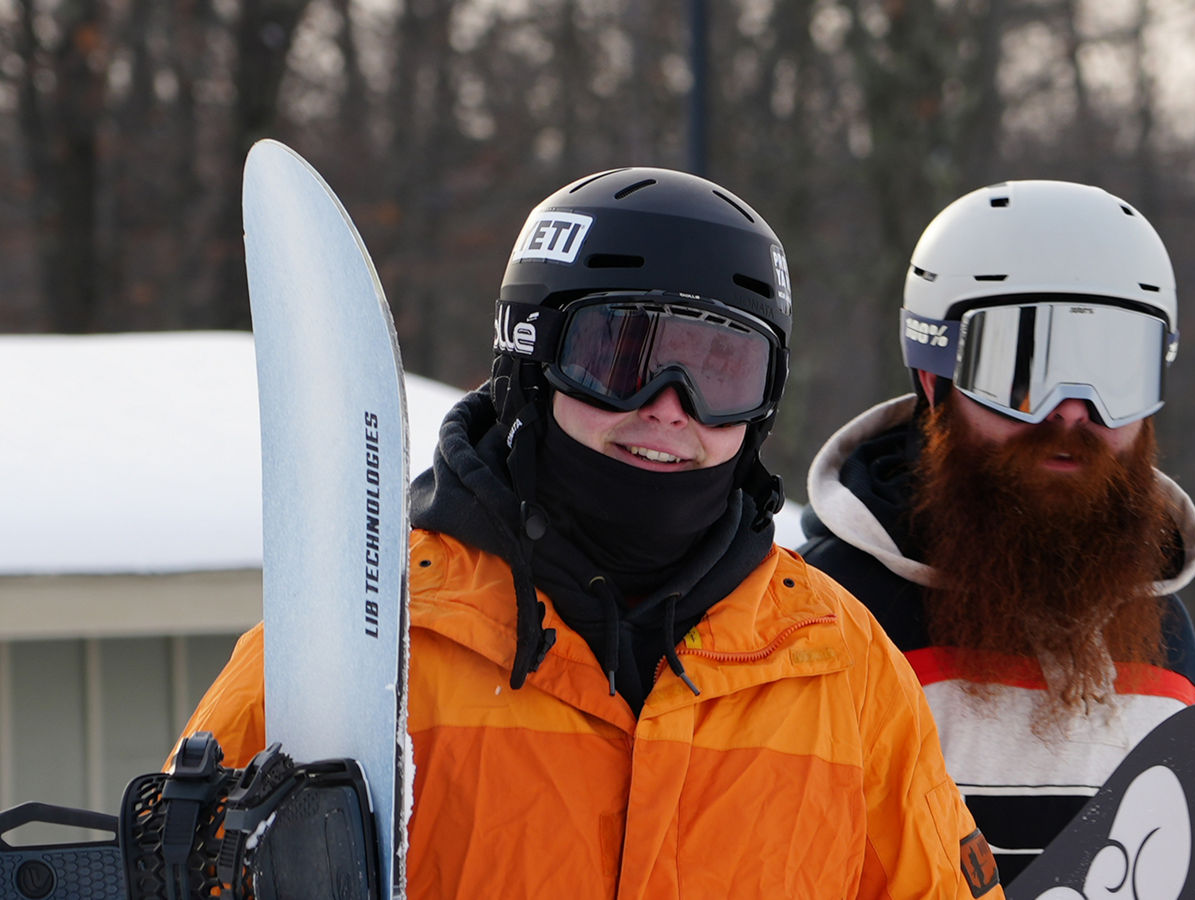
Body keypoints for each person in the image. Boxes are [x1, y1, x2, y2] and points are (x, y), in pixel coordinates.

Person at [182, 169, 1003, 900]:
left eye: (722, 372)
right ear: (532, 359)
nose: (670, 407)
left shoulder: (838, 665)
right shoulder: (368, 646)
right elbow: (176, 864)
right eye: (622, 357)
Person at [799, 180, 1195, 884]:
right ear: (934, 378)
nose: (1072, 411)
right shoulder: (822, 620)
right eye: (1022, 368)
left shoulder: (1162, 637)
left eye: (1116, 369)